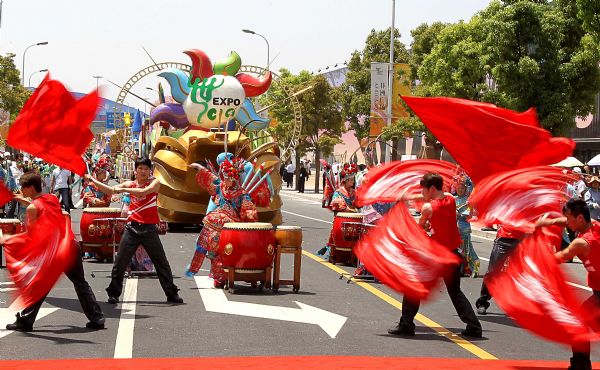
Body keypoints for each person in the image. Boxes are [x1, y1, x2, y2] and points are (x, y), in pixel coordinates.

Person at [4, 172, 105, 331]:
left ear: (30, 188)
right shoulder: (51, 198)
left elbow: (32, 233)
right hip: (71, 246)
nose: (21, 190)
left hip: (55, 252)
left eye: (22, 187)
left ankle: (25, 321)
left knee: (40, 285)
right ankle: (97, 317)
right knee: (80, 283)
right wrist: (19, 199)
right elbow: (38, 204)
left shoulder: (32, 207)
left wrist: (9, 238)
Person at [388, 173, 482, 338]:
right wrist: (410, 197)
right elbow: (436, 196)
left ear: (431, 188)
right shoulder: (450, 200)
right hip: (452, 255)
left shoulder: (428, 208)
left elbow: (420, 228)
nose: (422, 192)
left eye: (424, 189)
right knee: (455, 292)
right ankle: (474, 326)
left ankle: (406, 325)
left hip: (435, 257)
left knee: (413, 287)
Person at [85, 157, 183, 304]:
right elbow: (111, 189)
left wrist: (123, 189)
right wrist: (93, 180)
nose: (143, 171)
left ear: (150, 171)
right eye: (140, 168)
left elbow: (143, 192)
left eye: (146, 168)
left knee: (161, 262)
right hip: (132, 228)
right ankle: (113, 293)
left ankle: (172, 293)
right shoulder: (131, 184)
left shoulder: (154, 183)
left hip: (149, 229)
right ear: (135, 170)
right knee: (120, 262)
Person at [536, 199, 599, 370]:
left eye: (569, 218)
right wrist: (547, 222)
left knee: (579, 325)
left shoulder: (582, 242)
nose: (566, 222)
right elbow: (564, 221)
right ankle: (581, 365)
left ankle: (580, 366)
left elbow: (560, 257)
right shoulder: (592, 224)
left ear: (579, 218)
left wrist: (535, 261)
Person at [186, 156, 258, 287]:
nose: (227, 180)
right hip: (215, 223)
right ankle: (218, 276)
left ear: (235, 178)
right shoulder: (221, 187)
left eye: (229, 177)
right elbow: (210, 177)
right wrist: (200, 168)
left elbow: (248, 210)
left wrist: (249, 214)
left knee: (229, 250)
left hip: (233, 226)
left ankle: (237, 273)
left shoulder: (242, 193)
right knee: (213, 248)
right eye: (225, 176)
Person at [475, 223, 525, 314]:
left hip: (524, 238)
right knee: (492, 272)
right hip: (504, 237)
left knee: (520, 274)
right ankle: (483, 302)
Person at [317, 163, 358, 259]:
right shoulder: (338, 192)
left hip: (353, 219)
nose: (353, 181)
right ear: (346, 180)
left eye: (353, 179)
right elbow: (337, 206)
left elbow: (357, 203)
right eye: (351, 179)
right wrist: (349, 209)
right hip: (341, 219)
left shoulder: (354, 192)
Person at [454, 176, 480, 277]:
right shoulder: (454, 199)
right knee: (458, 250)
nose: (460, 190)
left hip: (464, 228)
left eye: (462, 188)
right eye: (458, 188)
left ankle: (475, 267)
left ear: (465, 189)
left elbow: (468, 213)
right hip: (455, 229)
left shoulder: (468, 201)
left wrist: (458, 213)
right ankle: (463, 269)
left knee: (467, 249)